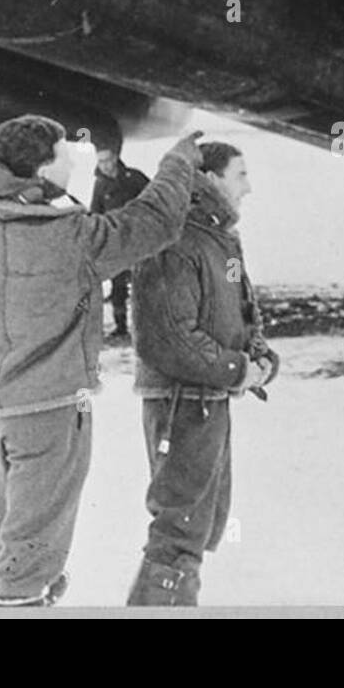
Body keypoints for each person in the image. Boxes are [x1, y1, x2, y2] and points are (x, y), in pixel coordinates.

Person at [0, 115, 201, 607]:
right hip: (52, 411)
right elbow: (153, 224)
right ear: (39, 168)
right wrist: (177, 162)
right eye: (64, 153)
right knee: (26, 562)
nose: (74, 161)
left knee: (13, 540)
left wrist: (1, 356)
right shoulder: (70, 234)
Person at [125, 141, 279, 606]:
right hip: (182, 401)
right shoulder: (175, 240)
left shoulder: (221, 238)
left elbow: (241, 310)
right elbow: (168, 337)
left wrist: (259, 356)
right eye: (240, 175)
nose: (248, 188)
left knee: (201, 523)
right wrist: (237, 370)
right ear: (209, 179)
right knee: (181, 527)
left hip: (208, 399)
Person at [90, 147, 150, 340]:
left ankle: (148, 326)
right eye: (100, 162)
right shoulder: (100, 184)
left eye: (107, 160)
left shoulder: (134, 178)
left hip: (139, 239)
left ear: (115, 158)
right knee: (118, 285)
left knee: (145, 283)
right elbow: (95, 212)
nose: (105, 166)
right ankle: (121, 325)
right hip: (115, 241)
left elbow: (152, 199)